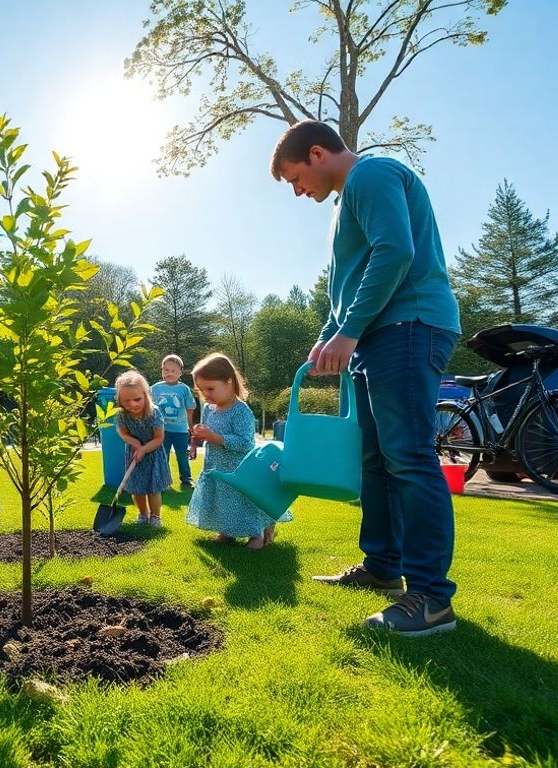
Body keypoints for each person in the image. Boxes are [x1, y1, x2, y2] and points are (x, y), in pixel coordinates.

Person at [271, 119, 461, 637]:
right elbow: (348, 281)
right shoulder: (341, 202)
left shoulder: (371, 174)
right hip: (376, 335)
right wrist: (331, 331)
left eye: (295, 179)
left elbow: (394, 252)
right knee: (375, 461)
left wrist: (349, 331)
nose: (297, 191)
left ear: (316, 153)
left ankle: (430, 598)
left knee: (409, 457)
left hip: (409, 324)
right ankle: (382, 568)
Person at [186, 353, 289, 547]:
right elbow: (205, 433)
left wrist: (214, 437)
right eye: (201, 390)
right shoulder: (209, 409)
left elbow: (244, 443)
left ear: (230, 382)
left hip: (238, 470)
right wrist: (195, 442)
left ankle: (257, 534)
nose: (206, 395)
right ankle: (227, 532)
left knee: (242, 503)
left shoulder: (241, 411)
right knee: (223, 502)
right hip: (216, 467)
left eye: (211, 388)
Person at [113, 370, 172, 526]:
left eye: (137, 399)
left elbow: (159, 438)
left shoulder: (154, 413)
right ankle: (143, 515)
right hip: (134, 455)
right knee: (137, 488)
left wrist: (144, 449)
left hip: (153, 454)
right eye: (126, 401)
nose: (132, 404)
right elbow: (123, 433)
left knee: (153, 488)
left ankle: (155, 516)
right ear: (119, 400)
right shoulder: (121, 416)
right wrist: (135, 443)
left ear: (146, 395)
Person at [151, 354, 197, 489]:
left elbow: (190, 409)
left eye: (173, 371)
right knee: (163, 456)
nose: (169, 373)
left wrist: (191, 427)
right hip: (162, 431)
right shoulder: (154, 388)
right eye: (166, 370)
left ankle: (186, 479)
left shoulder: (184, 389)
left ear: (180, 373)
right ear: (162, 370)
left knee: (182, 456)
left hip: (180, 431)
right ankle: (164, 481)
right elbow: (149, 409)